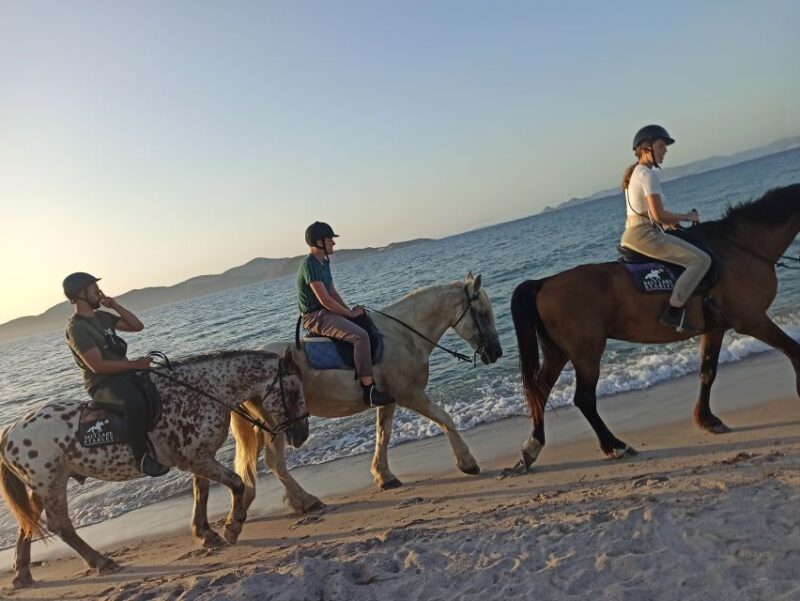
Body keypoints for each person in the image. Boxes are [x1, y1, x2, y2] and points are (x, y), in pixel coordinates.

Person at [63, 272, 169, 477]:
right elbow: (97, 366)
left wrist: (115, 306)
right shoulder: (77, 327)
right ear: (80, 293)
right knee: (133, 401)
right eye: (94, 288)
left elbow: (137, 326)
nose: (99, 291)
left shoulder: (102, 317)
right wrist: (134, 364)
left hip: (123, 374)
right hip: (102, 383)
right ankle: (142, 458)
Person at [620, 125, 711, 334]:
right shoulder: (647, 175)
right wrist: (688, 216)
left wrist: (672, 224)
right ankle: (674, 309)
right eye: (661, 146)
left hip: (639, 232)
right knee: (701, 260)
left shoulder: (636, 172)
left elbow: (652, 215)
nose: (665, 151)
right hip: (644, 235)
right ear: (646, 148)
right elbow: (659, 215)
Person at [297, 222, 395, 407]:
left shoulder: (323, 262)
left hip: (326, 312)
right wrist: (349, 315)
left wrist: (351, 312)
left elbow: (333, 293)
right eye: (330, 239)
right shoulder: (309, 265)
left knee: (363, 321)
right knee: (360, 336)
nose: (333, 243)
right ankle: (369, 390)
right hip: (315, 317)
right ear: (319, 242)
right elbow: (325, 300)